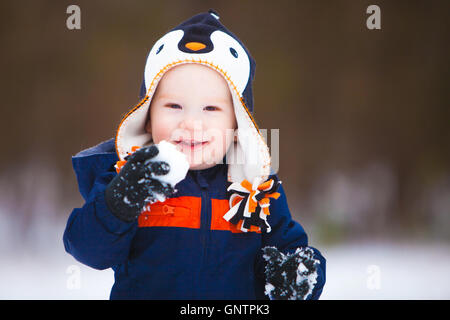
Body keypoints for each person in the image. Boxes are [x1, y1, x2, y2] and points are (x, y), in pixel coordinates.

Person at [63, 9, 326, 300]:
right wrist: (119, 201)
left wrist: (295, 274)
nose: (191, 123)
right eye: (174, 106)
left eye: (211, 109)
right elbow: (89, 250)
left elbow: (287, 248)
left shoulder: (256, 189)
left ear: (238, 124)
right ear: (147, 117)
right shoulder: (129, 177)